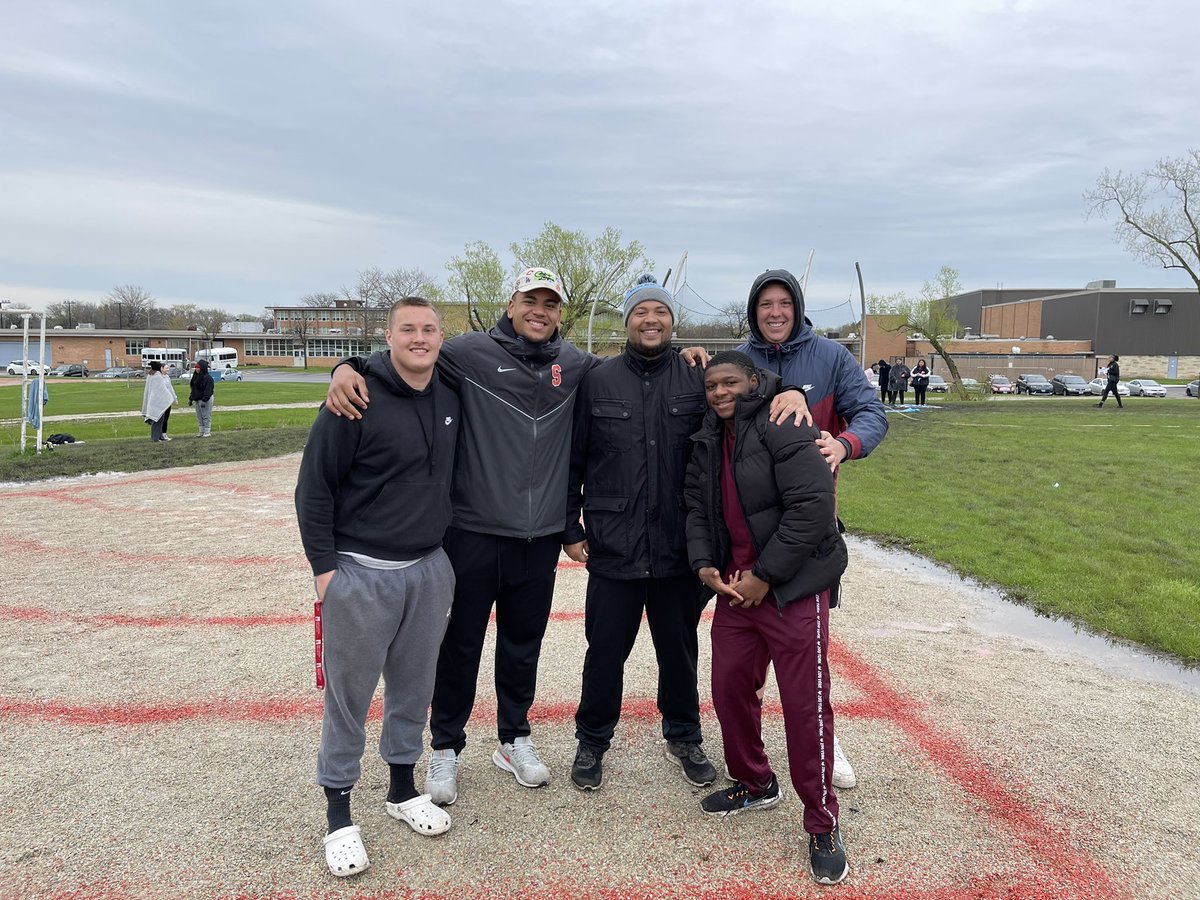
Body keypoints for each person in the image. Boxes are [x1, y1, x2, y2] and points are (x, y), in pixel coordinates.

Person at [324, 268, 597, 804]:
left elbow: (630, 372)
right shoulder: (468, 352)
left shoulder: (578, 364)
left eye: (550, 303)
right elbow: (407, 358)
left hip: (538, 537)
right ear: (512, 304)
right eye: (530, 300)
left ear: (561, 312)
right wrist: (346, 365)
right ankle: (446, 745)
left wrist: (687, 356)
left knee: (524, 644)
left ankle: (514, 736)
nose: (539, 310)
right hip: (472, 531)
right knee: (460, 645)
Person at [562, 277, 809, 792]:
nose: (650, 319)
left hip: (681, 545)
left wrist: (788, 391)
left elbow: (748, 384)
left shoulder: (698, 375)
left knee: (679, 650)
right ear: (625, 321)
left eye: (660, 311)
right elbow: (574, 458)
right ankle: (592, 740)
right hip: (615, 542)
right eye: (640, 312)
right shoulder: (598, 379)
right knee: (605, 649)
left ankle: (684, 734)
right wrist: (570, 524)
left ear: (672, 320)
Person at [295, 297, 460, 878]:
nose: (420, 338)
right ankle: (338, 815)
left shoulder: (452, 390)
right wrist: (324, 572)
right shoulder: (354, 396)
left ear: (443, 337)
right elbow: (313, 488)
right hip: (360, 570)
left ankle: (400, 789)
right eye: (408, 329)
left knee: (414, 689)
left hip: (428, 567)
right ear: (387, 337)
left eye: (429, 329)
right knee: (350, 699)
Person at [684, 351, 850, 886]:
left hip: (792, 587)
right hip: (738, 586)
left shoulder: (783, 422)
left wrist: (767, 575)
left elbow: (813, 506)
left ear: (754, 382)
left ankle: (822, 821)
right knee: (729, 685)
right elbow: (697, 506)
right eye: (712, 385)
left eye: (731, 382)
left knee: (804, 706)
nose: (720, 392)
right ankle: (756, 782)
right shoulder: (708, 436)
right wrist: (705, 562)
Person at [738, 268, 888, 791]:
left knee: (809, 649)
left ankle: (826, 738)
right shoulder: (742, 358)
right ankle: (748, 748)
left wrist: (844, 444)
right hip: (748, 531)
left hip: (808, 529)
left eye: (784, 303)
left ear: (798, 308)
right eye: (765, 304)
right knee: (747, 649)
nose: (775, 312)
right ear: (754, 311)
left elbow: (871, 412)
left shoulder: (830, 357)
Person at [141, 360, 176, 442]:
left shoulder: (150, 376)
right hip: (156, 402)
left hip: (153, 401)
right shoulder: (157, 376)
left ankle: (160, 436)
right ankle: (156, 438)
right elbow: (162, 389)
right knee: (158, 420)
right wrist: (169, 397)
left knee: (160, 420)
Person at [188, 359, 215, 437]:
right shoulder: (195, 377)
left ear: (202, 368)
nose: (197, 369)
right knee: (199, 416)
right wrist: (191, 398)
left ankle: (207, 431)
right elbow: (194, 389)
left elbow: (208, 390)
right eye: (196, 367)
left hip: (205, 399)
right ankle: (201, 431)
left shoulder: (208, 378)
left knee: (206, 415)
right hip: (197, 399)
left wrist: (204, 400)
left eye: (198, 367)